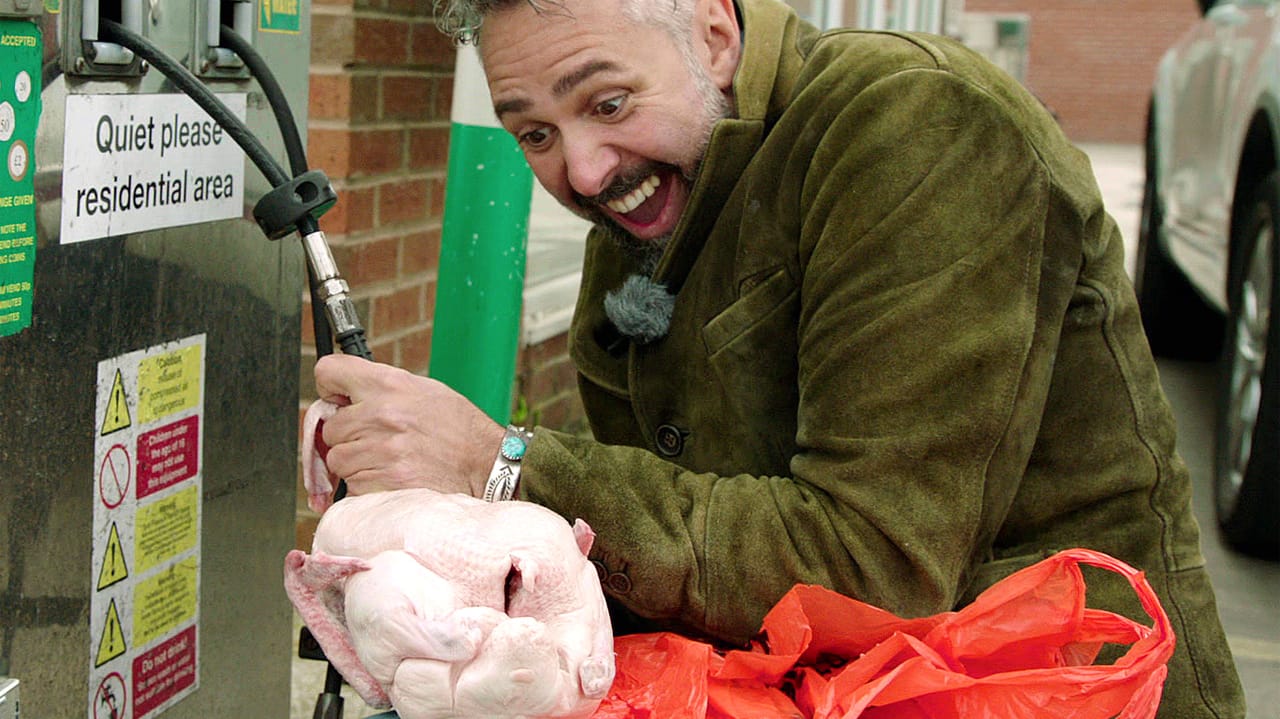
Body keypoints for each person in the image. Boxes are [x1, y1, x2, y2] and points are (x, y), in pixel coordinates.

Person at [312, 0, 1247, 715]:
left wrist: (504, 466)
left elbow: (877, 565)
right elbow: (677, 551)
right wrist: (438, 529)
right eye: (537, 134)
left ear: (714, 33)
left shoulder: (914, 123)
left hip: (1069, 684)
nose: (587, 172)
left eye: (608, 101)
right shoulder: (640, 219)